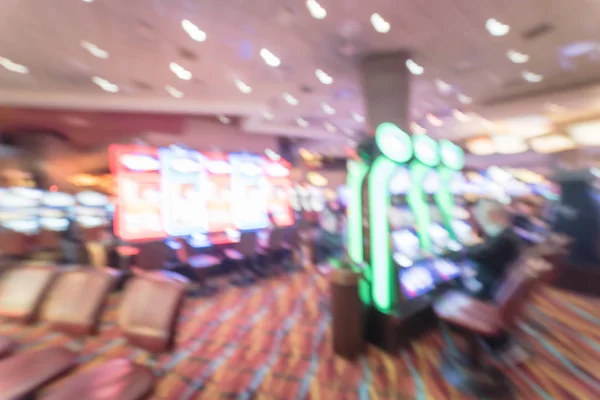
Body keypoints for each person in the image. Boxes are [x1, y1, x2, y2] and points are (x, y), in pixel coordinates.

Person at [449, 199, 527, 365]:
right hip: (499, 286)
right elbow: (483, 251)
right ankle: (500, 344)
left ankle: (492, 342)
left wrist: (457, 249)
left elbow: (477, 254)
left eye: (480, 216)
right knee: (460, 277)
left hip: (491, 290)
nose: (479, 221)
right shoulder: (507, 234)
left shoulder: (503, 239)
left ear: (493, 215)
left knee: (454, 284)